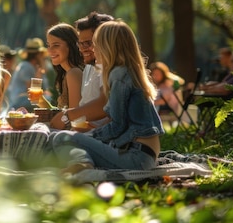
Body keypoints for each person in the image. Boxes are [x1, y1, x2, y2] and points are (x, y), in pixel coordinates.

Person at [50, 20, 164, 173]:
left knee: (61, 138)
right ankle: (81, 162)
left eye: (95, 44)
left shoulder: (119, 75)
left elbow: (118, 126)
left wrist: (89, 135)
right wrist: (93, 131)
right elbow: (123, 122)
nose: (93, 49)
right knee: (69, 137)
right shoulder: (128, 71)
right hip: (143, 153)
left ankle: (82, 164)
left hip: (136, 157)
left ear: (107, 47)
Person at [49, 11, 113, 130]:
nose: (83, 48)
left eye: (88, 43)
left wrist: (66, 117)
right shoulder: (88, 67)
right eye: (80, 43)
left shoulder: (111, 68)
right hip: (86, 131)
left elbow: (104, 105)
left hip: (99, 136)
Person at [44, 23, 84, 109]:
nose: (50, 50)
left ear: (70, 46)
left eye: (56, 45)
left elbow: (74, 115)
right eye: (48, 45)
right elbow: (63, 113)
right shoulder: (66, 73)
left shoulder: (73, 73)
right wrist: (41, 101)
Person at [6, 38, 48, 111]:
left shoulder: (34, 67)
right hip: (19, 101)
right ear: (37, 55)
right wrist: (38, 77)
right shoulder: (26, 67)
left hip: (25, 99)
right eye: (41, 54)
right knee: (47, 99)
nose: (43, 57)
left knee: (47, 98)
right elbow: (32, 92)